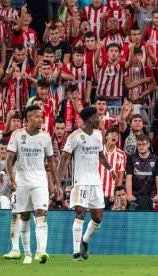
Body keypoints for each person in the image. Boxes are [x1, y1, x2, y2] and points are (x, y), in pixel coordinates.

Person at [57, 106, 116, 261]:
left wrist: (110, 170)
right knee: (80, 213)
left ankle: (84, 240)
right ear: (90, 119)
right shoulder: (75, 136)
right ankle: (76, 252)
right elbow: (64, 159)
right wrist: (58, 183)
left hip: (96, 182)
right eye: (98, 116)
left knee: (98, 218)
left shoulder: (97, 135)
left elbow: (101, 156)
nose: (100, 119)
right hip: (81, 181)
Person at [6, 105, 61, 265]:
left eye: (41, 116)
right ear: (28, 119)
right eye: (37, 116)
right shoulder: (17, 135)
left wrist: (57, 184)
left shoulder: (45, 137)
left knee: (41, 215)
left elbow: (51, 161)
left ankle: (41, 252)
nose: (40, 119)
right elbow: (10, 159)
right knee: (24, 217)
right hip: (22, 181)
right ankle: (27, 254)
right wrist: (11, 179)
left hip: (39, 181)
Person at [125, 133, 158, 211]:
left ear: (148, 145)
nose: (141, 147)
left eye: (144, 144)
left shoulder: (155, 158)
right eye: (139, 144)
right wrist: (129, 194)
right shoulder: (131, 158)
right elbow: (129, 177)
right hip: (135, 197)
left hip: (150, 196)